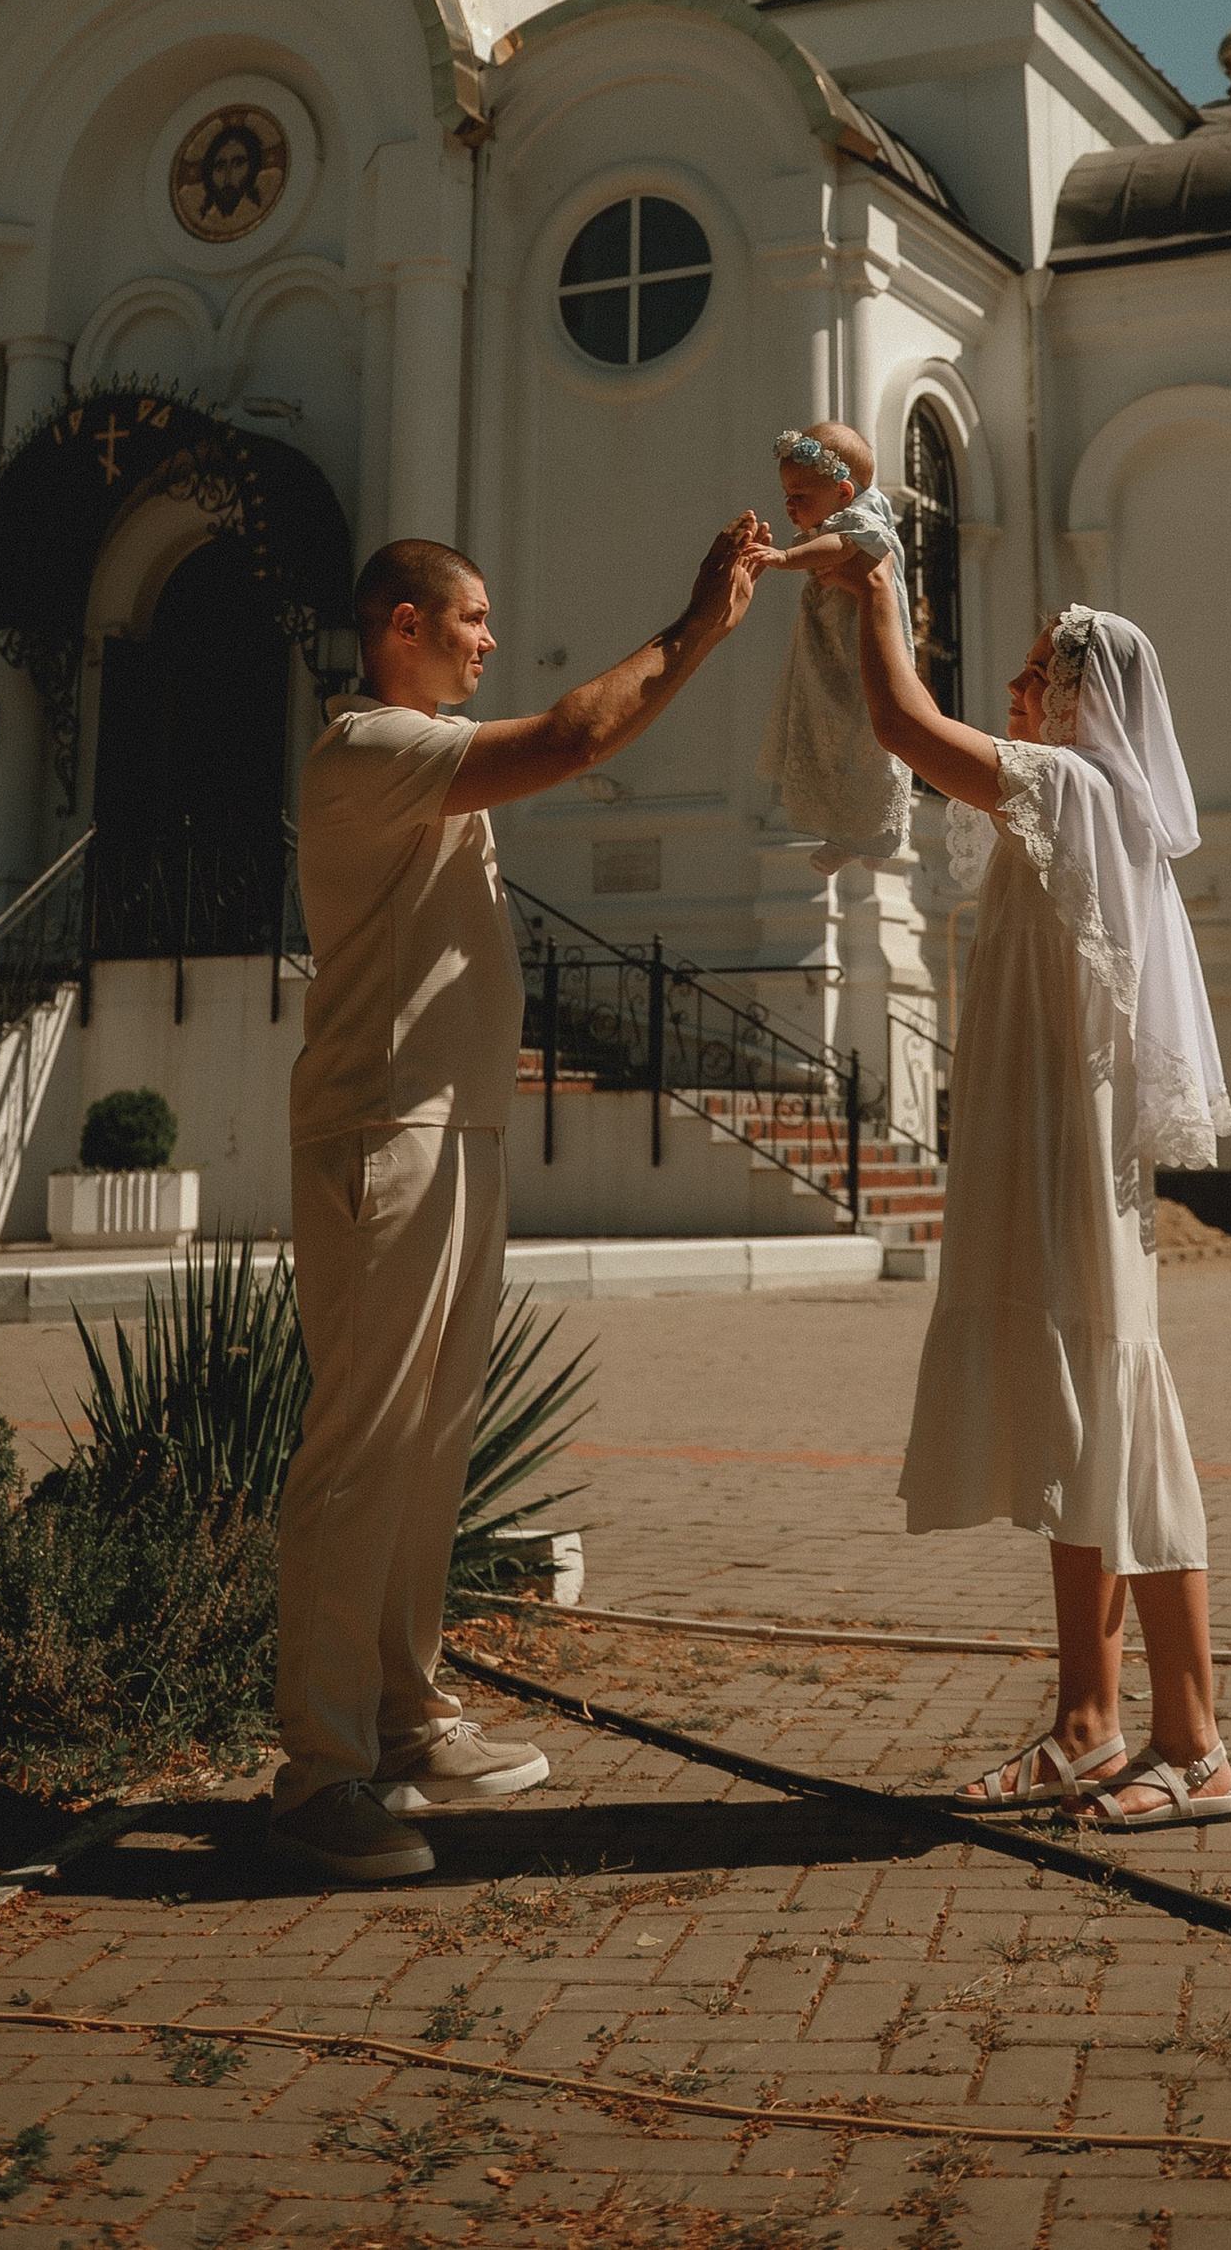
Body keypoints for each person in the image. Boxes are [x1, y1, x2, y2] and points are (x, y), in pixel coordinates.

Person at [273, 515, 771, 1885]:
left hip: (456, 1128)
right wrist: (696, 628)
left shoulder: (431, 768)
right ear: (401, 626)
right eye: (473, 618)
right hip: (387, 1130)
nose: (492, 638)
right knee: (363, 1443)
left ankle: (403, 1715)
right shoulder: (368, 748)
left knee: (431, 1442)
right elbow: (573, 739)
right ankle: (317, 1769)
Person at [830, 554, 1231, 1830]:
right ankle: (1086, 1724)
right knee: (1077, 1431)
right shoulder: (1067, 800)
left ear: (1081, 700)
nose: (1011, 686)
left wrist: (875, 585)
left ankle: (1195, 1742)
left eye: (1035, 671)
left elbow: (900, 723)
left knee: (1121, 1421)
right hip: (1036, 1140)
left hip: (1069, 1156)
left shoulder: (1071, 787)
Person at [756, 423, 915, 874]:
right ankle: (845, 830)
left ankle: (875, 831)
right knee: (827, 732)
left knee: (864, 732)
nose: (790, 504)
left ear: (844, 492)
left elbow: (843, 546)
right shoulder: (837, 518)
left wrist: (785, 558)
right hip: (830, 645)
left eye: (801, 495)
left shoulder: (861, 521)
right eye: (787, 494)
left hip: (860, 642)